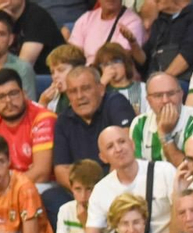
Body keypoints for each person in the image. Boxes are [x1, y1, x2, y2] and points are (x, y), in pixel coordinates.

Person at [76, 127, 178, 233]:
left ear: (132, 144)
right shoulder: (102, 189)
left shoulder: (163, 171)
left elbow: (182, 217)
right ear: (103, 157)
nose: (118, 149)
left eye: (122, 142)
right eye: (110, 147)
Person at [52, 65, 137, 193]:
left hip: (118, 184)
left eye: (86, 88)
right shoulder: (64, 119)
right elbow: (61, 169)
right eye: (73, 91)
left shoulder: (115, 103)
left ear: (101, 89)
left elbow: (125, 150)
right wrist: (83, 191)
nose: (80, 96)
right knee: (51, 196)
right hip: (84, 189)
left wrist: (103, 192)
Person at [0, 68, 55, 188]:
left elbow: (41, 173)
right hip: (2, 186)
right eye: (0, 97)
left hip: (38, 186)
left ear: (24, 94)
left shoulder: (42, 118)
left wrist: (8, 189)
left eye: (13, 93)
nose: (8, 101)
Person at [130, 73, 193, 168]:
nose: (166, 100)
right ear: (148, 100)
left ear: (181, 94)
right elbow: (137, 168)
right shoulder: (139, 123)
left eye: (171, 94)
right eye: (158, 95)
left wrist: (165, 135)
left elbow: (191, 169)